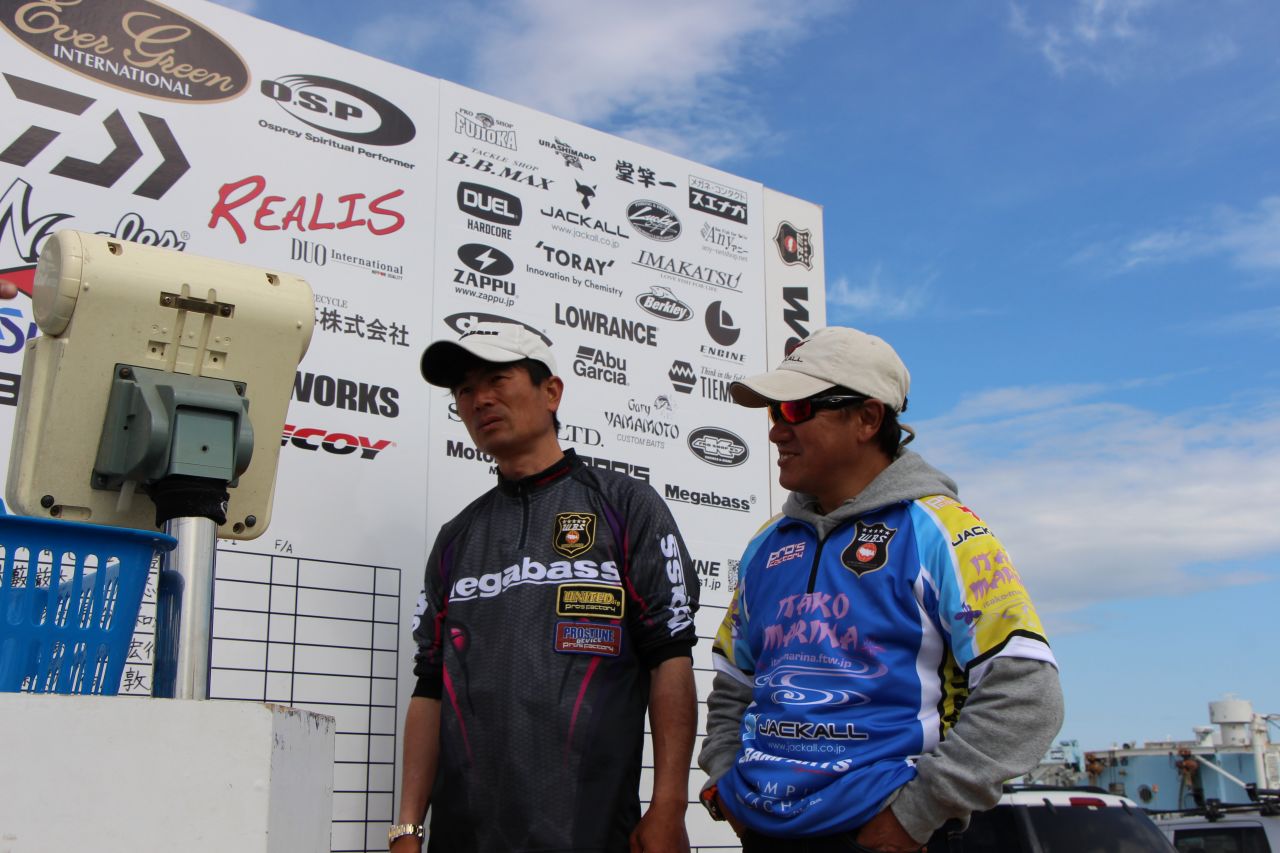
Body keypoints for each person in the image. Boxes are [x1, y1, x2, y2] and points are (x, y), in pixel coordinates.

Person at [697, 326, 1064, 852]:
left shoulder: (942, 530)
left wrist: (917, 813)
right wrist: (725, 786)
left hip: (882, 836)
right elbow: (734, 685)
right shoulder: (767, 544)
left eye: (796, 410)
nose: (777, 432)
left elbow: (1027, 692)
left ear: (868, 419)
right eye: (774, 413)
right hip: (765, 834)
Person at [391, 321, 699, 853]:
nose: (479, 400)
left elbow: (669, 656)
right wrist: (407, 827)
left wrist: (669, 805)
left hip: (593, 833)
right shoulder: (456, 537)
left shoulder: (626, 505)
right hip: (465, 837)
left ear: (551, 391)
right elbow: (430, 686)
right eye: (464, 390)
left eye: (497, 380)